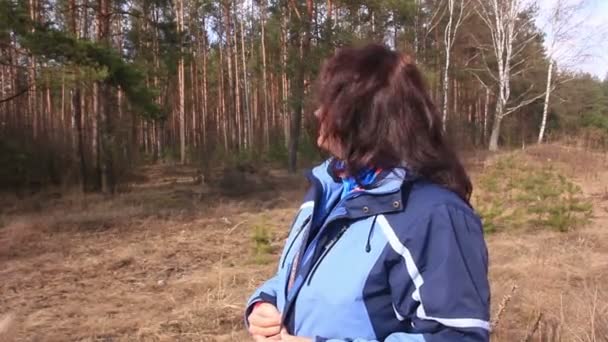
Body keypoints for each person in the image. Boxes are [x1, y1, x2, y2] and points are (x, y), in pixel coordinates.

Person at [245, 44, 490, 342]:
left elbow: (455, 337)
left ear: (366, 118)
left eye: (331, 103)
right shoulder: (332, 188)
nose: (318, 112)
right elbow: (302, 277)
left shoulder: (434, 216)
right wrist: (264, 303)